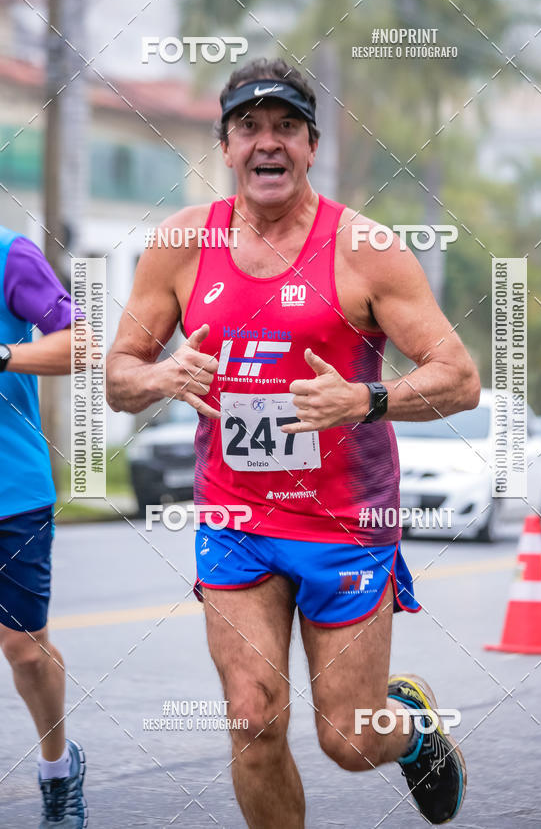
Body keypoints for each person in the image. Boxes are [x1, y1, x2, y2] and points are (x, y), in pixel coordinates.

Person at [106, 57, 480, 827]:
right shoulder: (182, 242)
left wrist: (365, 400)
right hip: (236, 517)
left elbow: (459, 377)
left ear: (312, 146)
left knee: (349, 738)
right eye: (249, 127)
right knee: (252, 718)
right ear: (226, 146)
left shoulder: (366, 248)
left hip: (346, 523)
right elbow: (118, 376)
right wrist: (165, 375)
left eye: (286, 127)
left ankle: (413, 731)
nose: (267, 142)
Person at [0, 227, 87, 828]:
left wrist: (4, 355)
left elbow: (80, 344)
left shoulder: (11, 255)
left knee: (24, 652)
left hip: (12, 491)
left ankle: (59, 767)